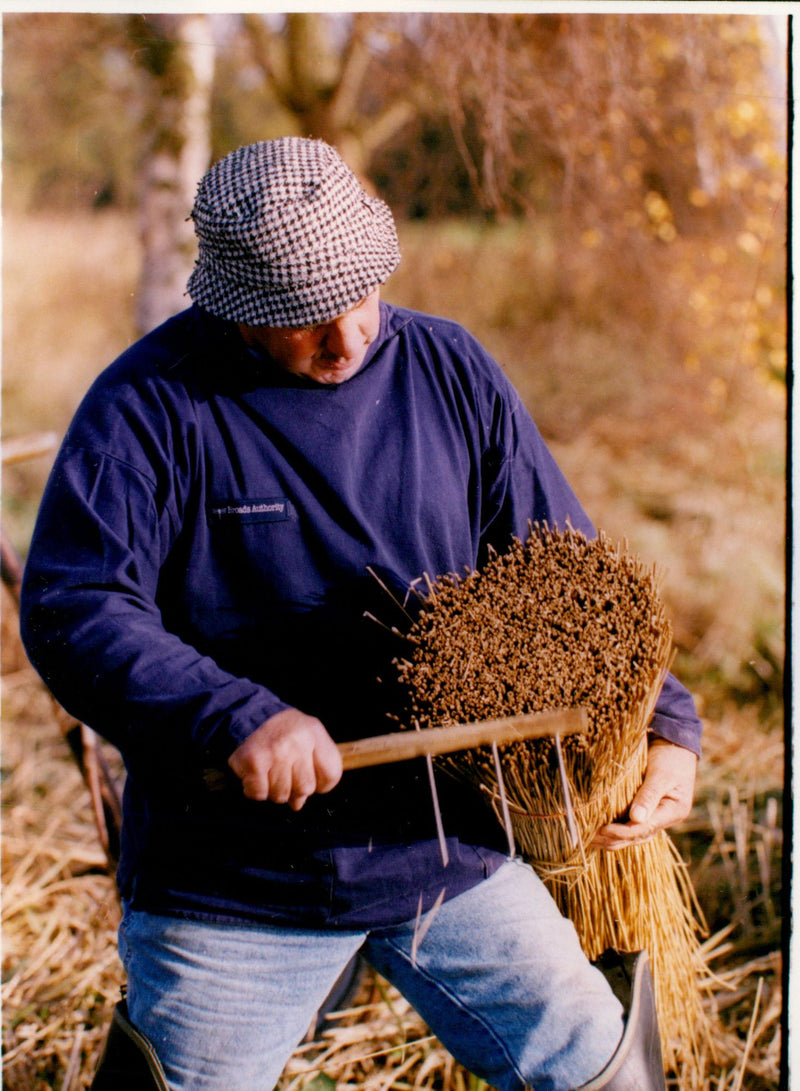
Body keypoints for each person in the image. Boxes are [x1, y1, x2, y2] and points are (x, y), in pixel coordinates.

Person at [20, 137, 702, 1091]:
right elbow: (75, 607)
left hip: (449, 849)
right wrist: (235, 715)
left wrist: (665, 723)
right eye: (303, 321)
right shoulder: (149, 406)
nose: (345, 338)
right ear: (233, 308)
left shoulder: (451, 371)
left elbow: (565, 588)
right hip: (233, 884)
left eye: (359, 298)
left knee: (605, 1066)